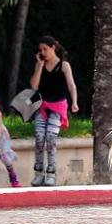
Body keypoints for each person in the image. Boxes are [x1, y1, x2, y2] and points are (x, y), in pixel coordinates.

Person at [29, 36, 79, 186]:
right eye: (41, 50)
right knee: (39, 137)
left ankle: (51, 173)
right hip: (43, 106)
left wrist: (74, 102)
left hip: (58, 107)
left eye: (45, 49)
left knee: (50, 138)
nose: (43, 52)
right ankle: (38, 172)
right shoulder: (41, 65)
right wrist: (39, 66)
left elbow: (71, 85)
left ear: (53, 48)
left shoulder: (64, 66)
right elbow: (34, 86)